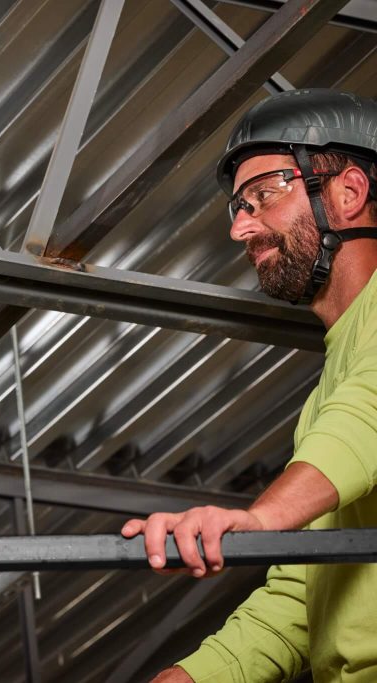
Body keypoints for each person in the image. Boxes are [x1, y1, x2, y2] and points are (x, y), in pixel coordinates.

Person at [120, 89, 377, 682]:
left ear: (349, 192)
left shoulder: (345, 417)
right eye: (238, 207)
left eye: (264, 194)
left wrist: (263, 518)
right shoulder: (324, 402)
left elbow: (368, 412)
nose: (241, 227)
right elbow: (303, 596)